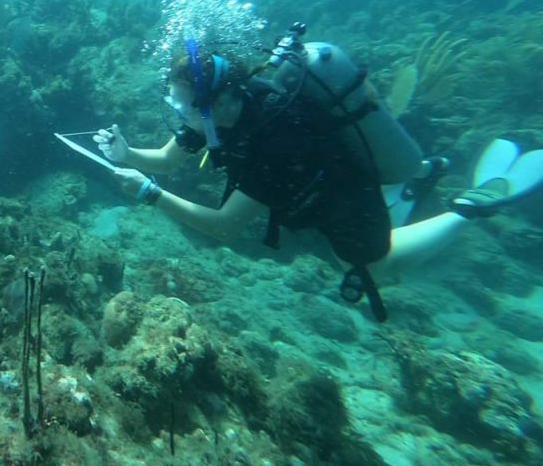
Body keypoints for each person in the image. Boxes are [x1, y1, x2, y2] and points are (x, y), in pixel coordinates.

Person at [93, 39, 543, 321]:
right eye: (175, 105)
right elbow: (168, 160)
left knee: (374, 268)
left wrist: (149, 193)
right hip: (315, 191)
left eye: (183, 105)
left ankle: (469, 208)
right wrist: (126, 153)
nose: (179, 114)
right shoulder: (214, 115)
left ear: (220, 102)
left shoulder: (272, 138)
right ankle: (409, 187)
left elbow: (225, 226)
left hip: (341, 200)